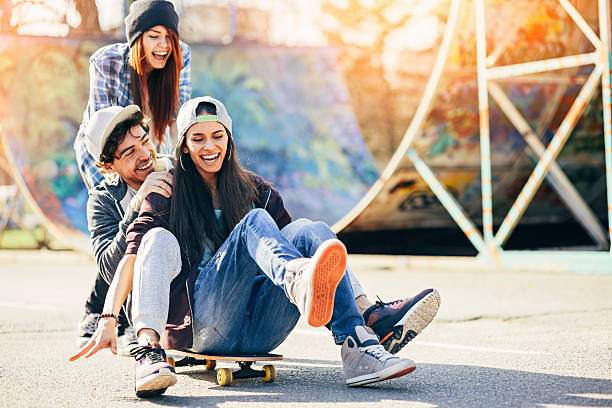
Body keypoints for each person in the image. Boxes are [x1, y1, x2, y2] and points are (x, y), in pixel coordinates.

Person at [69, 97, 435, 397]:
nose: (209, 146)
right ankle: (149, 352)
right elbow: (125, 257)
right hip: (202, 321)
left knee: (312, 229)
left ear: (229, 140)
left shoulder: (252, 187)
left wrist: (344, 289)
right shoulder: (162, 189)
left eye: (217, 136)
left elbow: (308, 245)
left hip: (263, 326)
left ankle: (359, 337)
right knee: (231, 227)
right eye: (197, 140)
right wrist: (109, 317)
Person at [74, 0, 191, 350]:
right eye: (154, 37)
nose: (164, 46)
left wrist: (178, 164)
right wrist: (126, 169)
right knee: (121, 222)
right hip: (107, 151)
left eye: (169, 37)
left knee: (150, 219)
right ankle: (101, 311)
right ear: (137, 39)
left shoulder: (180, 55)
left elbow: (175, 118)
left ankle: (130, 310)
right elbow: (102, 129)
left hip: (143, 142)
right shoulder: (108, 61)